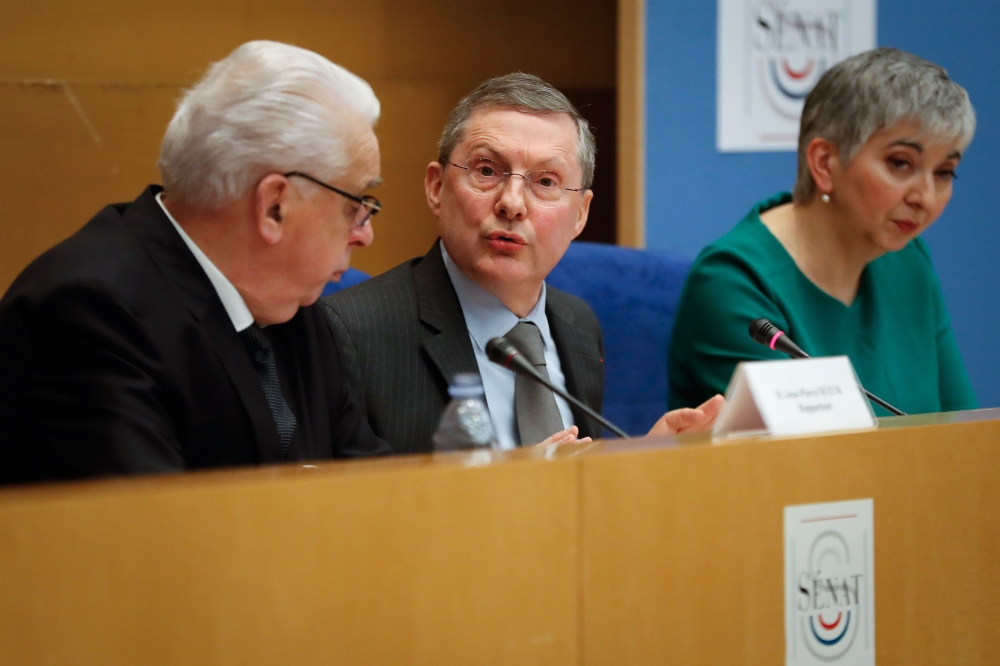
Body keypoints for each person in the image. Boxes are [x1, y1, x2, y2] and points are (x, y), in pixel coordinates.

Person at [0, 41, 388, 484]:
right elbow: (155, 537)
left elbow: (371, 489)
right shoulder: (90, 315)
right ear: (274, 206)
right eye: (356, 204)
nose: (364, 233)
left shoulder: (291, 304)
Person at [324, 73, 724, 453]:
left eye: (546, 181)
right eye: (486, 170)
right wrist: (519, 490)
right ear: (436, 187)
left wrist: (637, 462)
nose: (512, 203)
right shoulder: (352, 334)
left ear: (580, 214)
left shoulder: (577, 325)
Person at [668, 48, 978, 415]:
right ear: (825, 163)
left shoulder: (909, 260)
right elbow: (802, 462)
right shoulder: (733, 280)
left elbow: (962, 431)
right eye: (900, 163)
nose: (925, 197)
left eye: (944, 172)